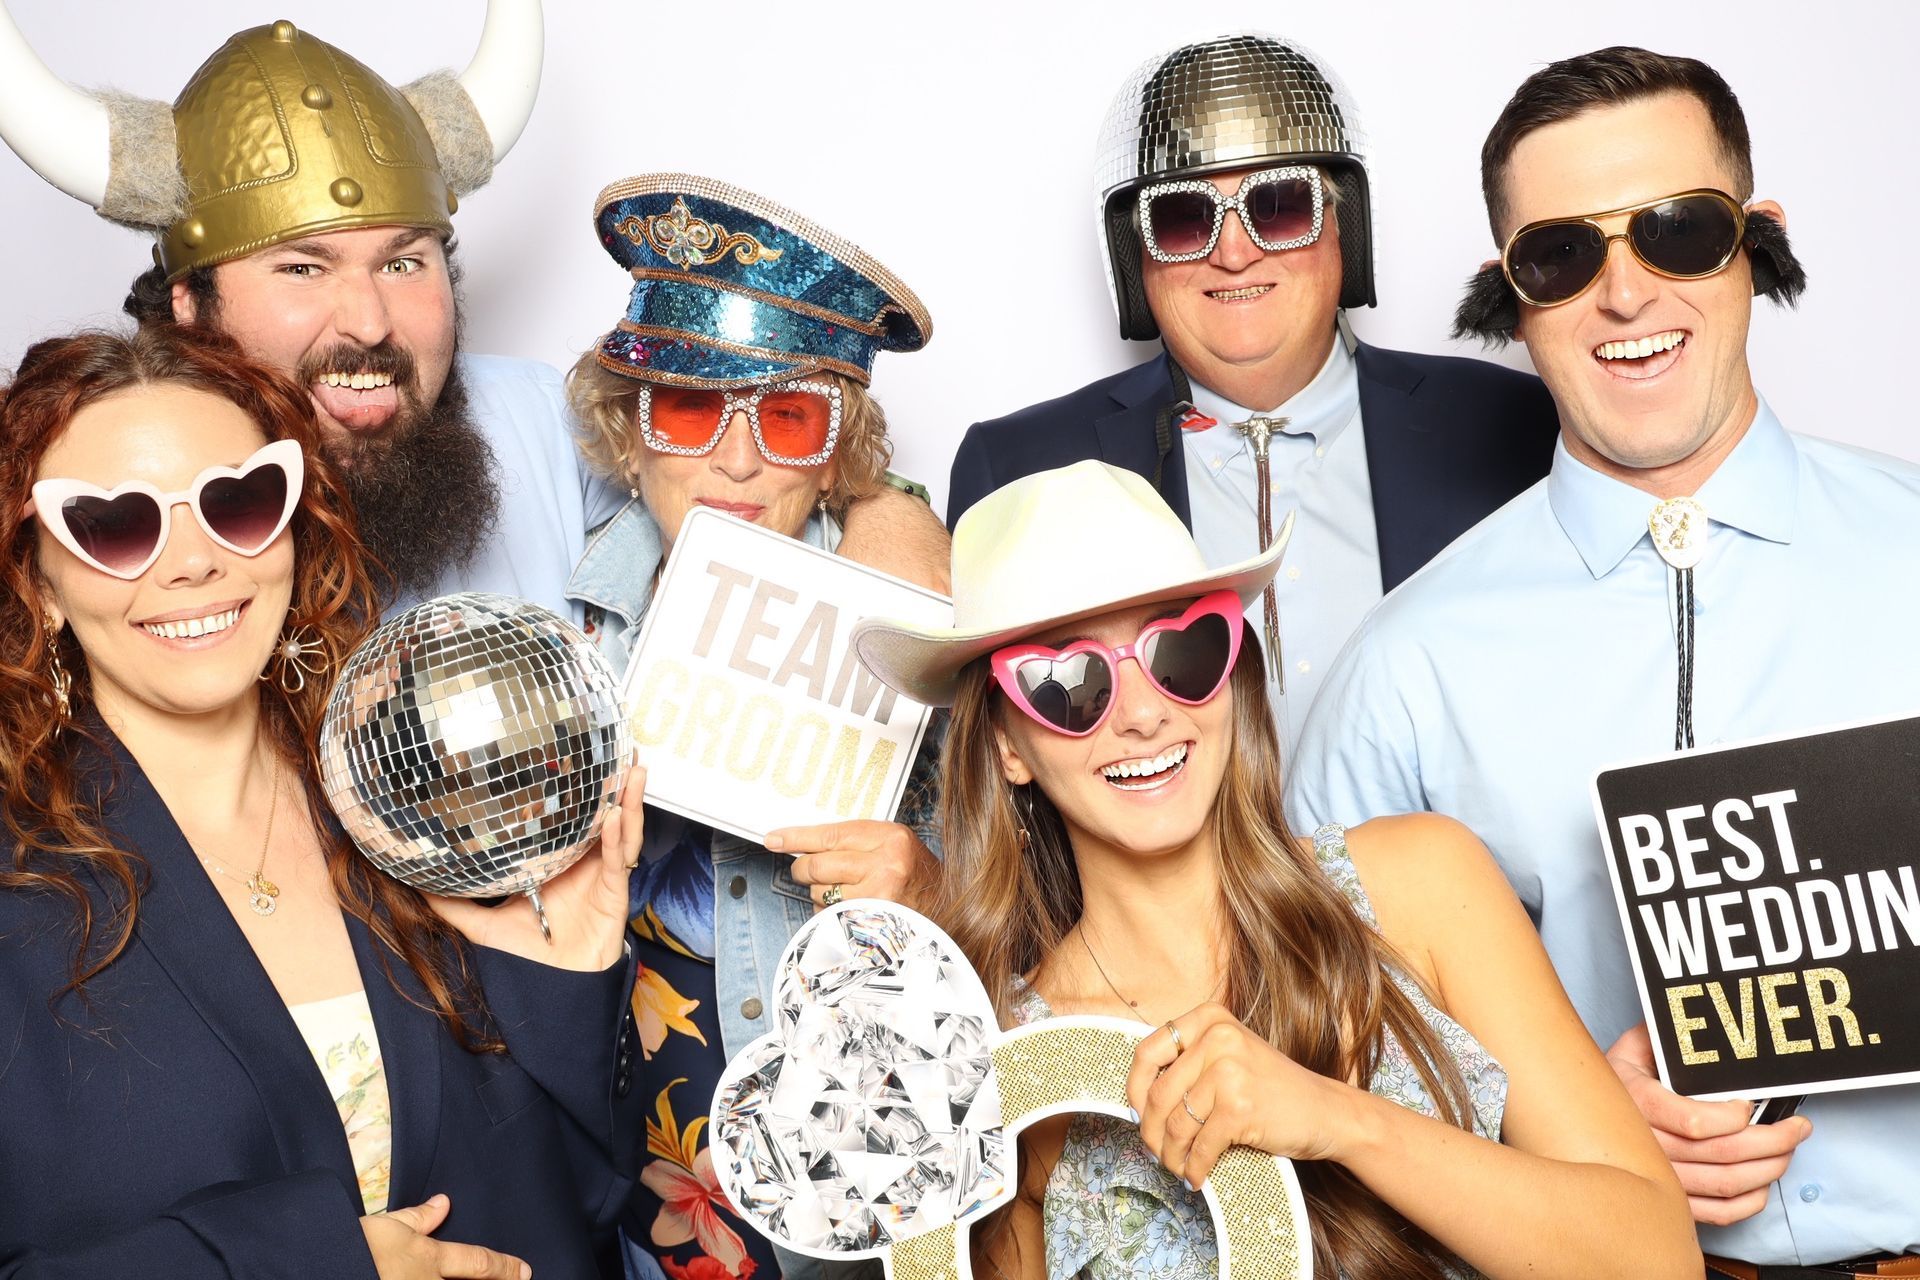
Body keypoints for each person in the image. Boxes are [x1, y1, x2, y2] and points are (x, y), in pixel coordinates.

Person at [1285, 47, 1920, 1275]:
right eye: (1564, 254)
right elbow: (1315, 1058)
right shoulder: (1405, 664)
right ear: (1508, 291)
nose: (1624, 295)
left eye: (1679, 232)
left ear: (1756, 242)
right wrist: (1553, 1109)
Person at [851, 460, 1698, 1280]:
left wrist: (1340, 1120)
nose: (1145, 714)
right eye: (1069, 683)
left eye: (1182, 651)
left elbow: (1657, 1257)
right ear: (1007, 746)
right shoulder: (1019, 1071)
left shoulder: (1420, 886)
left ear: (1231, 674)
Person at [0, 324, 647, 1277]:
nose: (193, 564)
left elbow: (578, 1210)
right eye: (115, 523)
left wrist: (566, 982)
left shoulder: (407, 788)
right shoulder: (19, 885)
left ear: (293, 529)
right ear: (40, 578)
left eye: (239, 502)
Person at [0, 3, 951, 619]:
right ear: (191, 308)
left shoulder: (532, 417)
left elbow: (749, 464)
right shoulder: (111, 497)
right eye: (302, 268)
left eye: (404, 261)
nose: (369, 322)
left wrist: (891, 525)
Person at [946, 32, 1558, 750]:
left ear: (1344, 226)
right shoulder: (1018, 468)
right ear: (1133, 255)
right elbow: (985, 763)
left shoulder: (1513, 425)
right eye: (1182, 218)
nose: (1233, 253)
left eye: (1278, 206)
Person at [564, 174, 943, 1280]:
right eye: (689, 408)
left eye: (784, 416)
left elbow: (1055, 909)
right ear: (629, 435)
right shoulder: (559, 644)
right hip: (650, 1216)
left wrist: (931, 884)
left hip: (884, 1201)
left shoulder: (928, 627)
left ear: (838, 449)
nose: (736, 460)